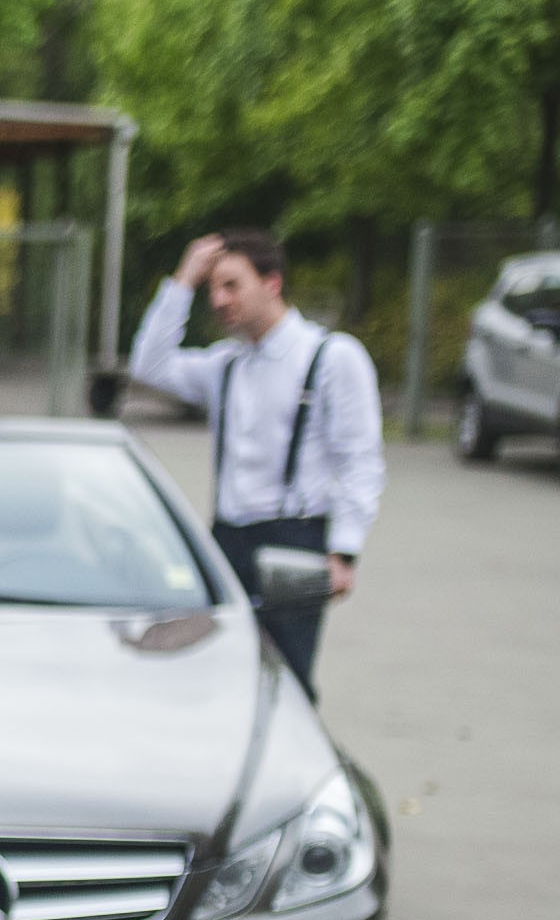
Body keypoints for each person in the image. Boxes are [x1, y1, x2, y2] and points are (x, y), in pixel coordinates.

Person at [128, 228, 384, 692]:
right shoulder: (225, 364)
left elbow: (360, 459)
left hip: (294, 538)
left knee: (286, 680)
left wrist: (344, 550)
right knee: (217, 676)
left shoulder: (331, 356)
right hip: (227, 539)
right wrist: (183, 281)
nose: (219, 300)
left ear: (272, 284)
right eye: (212, 290)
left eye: (231, 285)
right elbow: (149, 365)